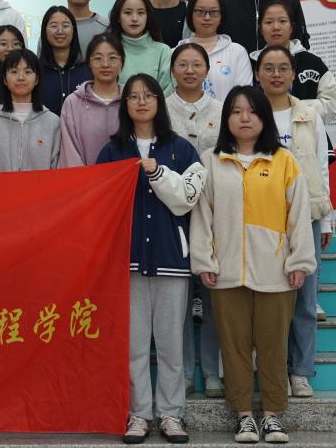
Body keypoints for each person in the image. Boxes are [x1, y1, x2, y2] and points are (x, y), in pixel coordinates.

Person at [191, 86, 316, 445]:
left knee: (273, 345)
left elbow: (299, 215)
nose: (244, 118)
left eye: (252, 111)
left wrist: (299, 261)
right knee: (234, 347)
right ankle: (244, 416)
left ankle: (273, 416)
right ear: (226, 119)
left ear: (264, 118)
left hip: (276, 270)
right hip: (226, 271)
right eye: (236, 111)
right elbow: (202, 215)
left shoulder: (284, 161)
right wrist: (204, 259)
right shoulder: (211, 160)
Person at [97, 75, 205, 445]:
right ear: (124, 104)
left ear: (159, 101)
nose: (141, 102)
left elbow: (186, 200)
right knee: (134, 346)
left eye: (148, 95)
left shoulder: (182, 149)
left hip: (172, 258)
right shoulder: (112, 151)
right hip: (126, 262)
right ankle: (139, 414)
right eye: (133, 96)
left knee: (172, 345)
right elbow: (101, 205)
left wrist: (157, 172)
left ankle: (172, 415)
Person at [255, 45, 334, 400]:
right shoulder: (249, 113)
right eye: (269, 68)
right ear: (257, 74)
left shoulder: (309, 115)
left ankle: (301, 371)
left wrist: (326, 220)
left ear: (293, 74)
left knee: (305, 299)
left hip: (307, 216)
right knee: (270, 299)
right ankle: (274, 370)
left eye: (283, 68)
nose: (276, 74)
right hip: (262, 215)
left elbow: (320, 169)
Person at [166, 43, 224, 400]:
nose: (190, 70)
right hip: (173, 213)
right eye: (183, 64)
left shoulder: (221, 109)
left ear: (206, 69)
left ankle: (214, 372)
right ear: (172, 69)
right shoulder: (161, 109)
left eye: (197, 64)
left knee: (214, 295)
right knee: (180, 302)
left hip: (215, 211)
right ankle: (185, 372)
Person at [251, 0, 336, 127]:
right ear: (260, 29)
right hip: (265, 133)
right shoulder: (251, 63)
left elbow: (332, 103)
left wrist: (291, 108)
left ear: (292, 27)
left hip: (308, 132)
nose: (276, 27)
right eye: (269, 22)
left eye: (282, 21)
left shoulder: (312, 62)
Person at [0, 48, 60, 171]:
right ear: (5, 79)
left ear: (37, 79)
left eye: (28, 72)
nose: (21, 77)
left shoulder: (53, 123)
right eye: (14, 71)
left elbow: (58, 173)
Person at [59, 33, 124, 168]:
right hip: (85, 180)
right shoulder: (73, 103)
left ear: (121, 62)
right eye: (98, 58)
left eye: (112, 58)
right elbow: (70, 154)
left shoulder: (131, 100)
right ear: (89, 62)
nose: (105, 64)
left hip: (126, 180)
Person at [176, 0, 252, 103]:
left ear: (222, 15)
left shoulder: (237, 52)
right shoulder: (175, 53)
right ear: (190, 14)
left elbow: (244, 95)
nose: (207, 17)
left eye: (213, 12)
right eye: (200, 11)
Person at [108, 0, 174, 94]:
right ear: (118, 17)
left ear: (148, 17)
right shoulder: (108, 50)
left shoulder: (163, 51)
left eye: (141, 13)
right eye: (128, 13)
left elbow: (168, 92)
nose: (134, 18)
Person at [37, 6, 91, 115]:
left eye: (65, 26)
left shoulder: (88, 70)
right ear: (44, 31)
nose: (60, 31)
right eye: (54, 26)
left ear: (73, 30)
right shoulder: (36, 71)